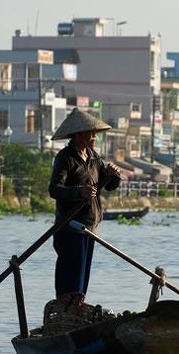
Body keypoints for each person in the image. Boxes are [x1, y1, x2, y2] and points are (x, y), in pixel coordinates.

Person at [48, 108, 123, 313]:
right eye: (91, 133)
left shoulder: (92, 156)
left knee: (82, 277)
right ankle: (64, 313)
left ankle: (76, 312)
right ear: (79, 134)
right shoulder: (66, 158)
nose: (94, 137)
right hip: (70, 227)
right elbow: (55, 189)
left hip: (90, 227)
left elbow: (107, 185)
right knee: (70, 276)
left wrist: (113, 175)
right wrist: (78, 191)